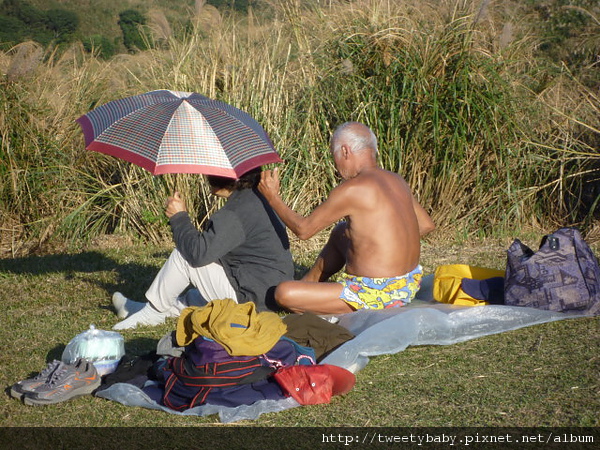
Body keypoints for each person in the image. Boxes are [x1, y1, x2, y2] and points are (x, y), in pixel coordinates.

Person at [258, 122, 435, 315]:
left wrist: (272, 198)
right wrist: (387, 247)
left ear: (345, 151)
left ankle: (314, 300)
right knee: (341, 231)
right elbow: (426, 225)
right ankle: (309, 284)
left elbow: (304, 230)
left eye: (334, 156)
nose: (335, 164)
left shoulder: (352, 189)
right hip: (407, 285)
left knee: (284, 293)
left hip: (377, 294)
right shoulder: (395, 179)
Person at [112, 167, 295, 330]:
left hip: (254, 300)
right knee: (195, 295)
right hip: (267, 291)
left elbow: (197, 255)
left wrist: (179, 217)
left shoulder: (235, 213)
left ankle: (152, 313)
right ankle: (145, 309)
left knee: (184, 258)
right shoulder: (257, 199)